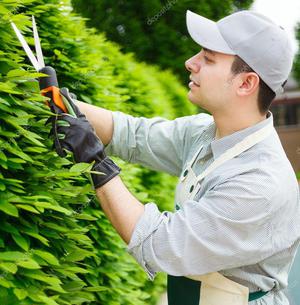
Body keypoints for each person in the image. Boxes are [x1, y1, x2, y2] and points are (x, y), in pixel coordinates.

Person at [49, 9, 300, 305]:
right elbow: (130, 133)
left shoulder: (260, 183)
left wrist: (95, 160)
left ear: (246, 83)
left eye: (207, 59)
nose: (190, 63)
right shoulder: (203, 133)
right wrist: (60, 102)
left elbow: (160, 243)